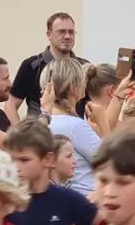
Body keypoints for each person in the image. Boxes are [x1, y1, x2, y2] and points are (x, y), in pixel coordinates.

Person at [39, 57, 101, 197]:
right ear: (74, 88)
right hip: (88, 196)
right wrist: (103, 123)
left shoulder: (45, 123)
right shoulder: (75, 126)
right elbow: (110, 160)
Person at [10, 12, 89, 118]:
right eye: (61, 32)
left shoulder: (84, 67)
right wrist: (22, 133)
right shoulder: (32, 66)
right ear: (49, 34)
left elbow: (94, 106)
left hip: (74, 131)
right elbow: (11, 105)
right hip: (40, 132)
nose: (67, 36)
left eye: (71, 32)